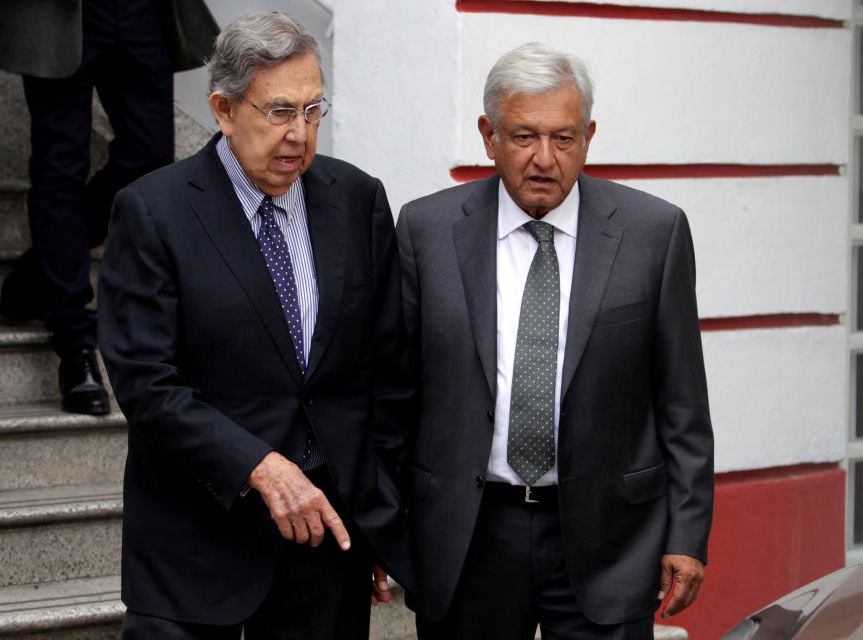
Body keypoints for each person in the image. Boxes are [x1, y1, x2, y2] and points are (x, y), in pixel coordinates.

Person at [97, 11, 414, 639]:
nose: (299, 134)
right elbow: (145, 383)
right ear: (223, 109)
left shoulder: (357, 200)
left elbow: (385, 374)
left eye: (312, 110)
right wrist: (260, 465)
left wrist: (379, 515)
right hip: (194, 549)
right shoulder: (152, 211)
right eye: (278, 112)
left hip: (323, 542)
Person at [396, 42, 714, 640]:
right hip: (469, 538)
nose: (544, 159)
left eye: (563, 138)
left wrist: (687, 535)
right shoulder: (424, 230)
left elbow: (683, 404)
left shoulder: (654, 232)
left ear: (588, 136)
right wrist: (385, 526)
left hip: (611, 538)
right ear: (488, 135)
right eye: (523, 137)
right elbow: (397, 394)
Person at [0, 0, 219, 415]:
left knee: (149, 158)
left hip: (140, 10)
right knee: (59, 166)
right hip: (57, 14)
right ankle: (74, 344)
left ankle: (38, 273)